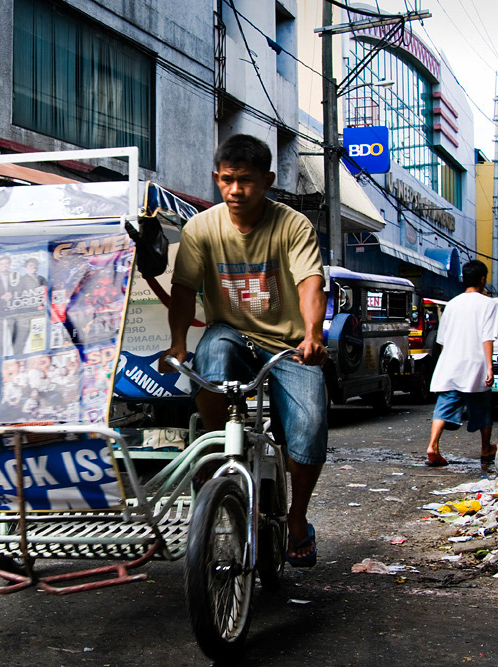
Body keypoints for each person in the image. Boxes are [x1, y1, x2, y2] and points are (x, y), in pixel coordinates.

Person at [158, 134, 328, 568]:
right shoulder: (201, 227)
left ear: (267, 181)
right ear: (217, 178)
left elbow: (311, 283)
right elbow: (184, 289)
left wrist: (312, 335)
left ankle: (296, 516)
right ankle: (219, 451)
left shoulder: (292, 225)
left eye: (246, 180)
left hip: (288, 344)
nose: (236, 190)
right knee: (210, 355)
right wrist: (178, 342)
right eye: (227, 180)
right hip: (231, 333)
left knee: (309, 425)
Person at [425, 260, 498, 467]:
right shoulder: (488, 304)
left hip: (451, 363)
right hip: (475, 364)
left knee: (444, 404)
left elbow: (441, 339)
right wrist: (490, 366)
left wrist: (443, 364)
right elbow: (487, 337)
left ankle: (433, 445)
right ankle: (485, 448)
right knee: (482, 405)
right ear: (482, 279)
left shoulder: (452, 304)